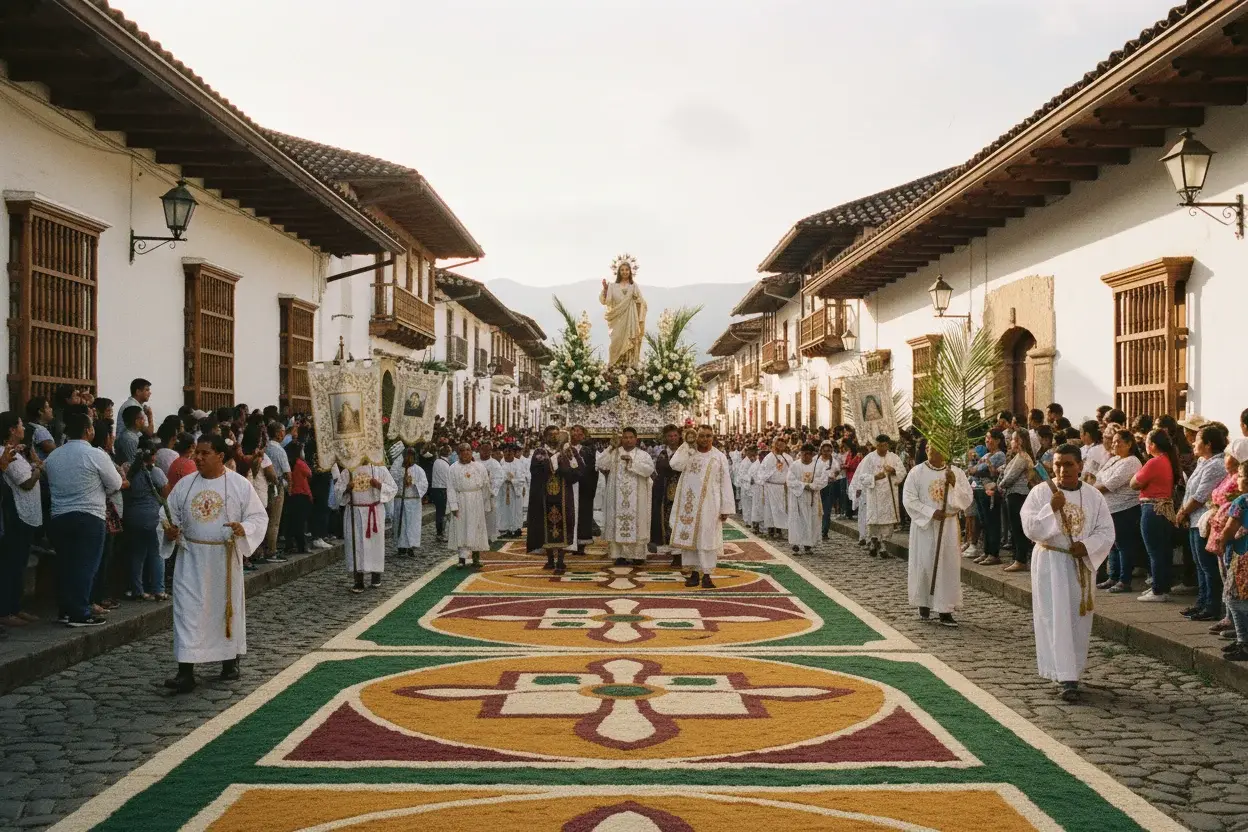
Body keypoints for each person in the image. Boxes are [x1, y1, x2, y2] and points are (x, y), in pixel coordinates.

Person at [159, 435, 267, 693]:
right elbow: (165, 515)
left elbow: (258, 517)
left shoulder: (239, 485)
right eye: (197, 452)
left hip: (223, 559)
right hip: (191, 559)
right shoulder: (185, 486)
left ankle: (229, 662)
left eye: (205, 453)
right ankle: (185, 671)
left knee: (224, 610)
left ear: (220, 455)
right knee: (187, 612)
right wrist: (168, 531)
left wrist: (244, 528)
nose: (198, 458)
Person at [1021, 443, 1115, 702]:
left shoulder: (1094, 496)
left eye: (1069, 464)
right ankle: (1065, 677)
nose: (1063, 470)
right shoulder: (1041, 492)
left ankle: (1073, 670)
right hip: (1051, 561)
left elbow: (1106, 530)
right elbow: (1029, 527)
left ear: (1080, 466)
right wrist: (1050, 508)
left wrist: (1086, 546)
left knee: (1077, 619)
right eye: (1058, 464)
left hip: (1080, 564)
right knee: (1054, 617)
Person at [43, 413, 122, 627]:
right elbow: (115, 483)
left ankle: (65, 610)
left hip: (59, 515)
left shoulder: (54, 456)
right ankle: (80, 612)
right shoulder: (95, 454)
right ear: (88, 431)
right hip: (89, 515)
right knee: (85, 566)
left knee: (65, 564)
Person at [902, 446, 973, 626]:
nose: (934, 452)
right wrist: (930, 512)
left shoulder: (955, 472)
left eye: (938, 448)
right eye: (931, 448)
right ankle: (924, 602)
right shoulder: (916, 472)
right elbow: (909, 499)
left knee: (947, 566)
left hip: (948, 525)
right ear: (927, 449)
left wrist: (954, 483)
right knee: (925, 563)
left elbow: (967, 499)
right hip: (925, 526)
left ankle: (945, 608)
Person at [669, 425, 734, 588]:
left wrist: (726, 508)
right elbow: (675, 465)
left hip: (710, 505)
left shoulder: (718, 457)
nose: (705, 439)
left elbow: (725, 482)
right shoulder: (689, 453)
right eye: (702, 436)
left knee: (708, 538)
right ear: (696, 437)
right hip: (689, 505)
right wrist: (686, 445)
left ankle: (707, 574)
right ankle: (693, 573)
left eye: (709, 436)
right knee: (691, 538)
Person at [1175, 425, 1228, 622]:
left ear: (1208, 444)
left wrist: (1182, 512)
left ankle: (1212, 606)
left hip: (1204, 519)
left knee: (1207, 566)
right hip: (1194, 518)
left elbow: (1200, 495)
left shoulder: (1216, 464)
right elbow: (1190, 490)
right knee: (1199, 564)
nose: (1193, 443)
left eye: (1197, 440)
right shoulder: (1203, 461)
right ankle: (1202, 602)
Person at [1, 412, 42, 627]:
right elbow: (26, 482)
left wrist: (32, 459)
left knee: (20, 562)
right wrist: (36, 470)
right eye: (20, 425)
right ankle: (6, 609)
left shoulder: (19, 453)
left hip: (28, 514)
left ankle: (16, 606)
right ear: (11, 430)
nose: (23, 429)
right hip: (17, 515)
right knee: (12, 564)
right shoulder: (6, 453)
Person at [1130, 429, 1181, 603]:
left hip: (1152, 508)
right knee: (1163, 550)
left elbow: (1134, 483)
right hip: (1164, 508)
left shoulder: (1154, 462)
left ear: (1152, 445)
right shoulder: (1167, 460)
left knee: (1154, 551)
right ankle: (1162, 587)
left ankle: (1158, 589)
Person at [335, 458, 398, 593]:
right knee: (356, 545)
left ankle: (376, 575)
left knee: (374, 545)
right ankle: (358, 580)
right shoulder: (349, 470)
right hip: (355, 512)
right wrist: (347, 489)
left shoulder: (379, 469)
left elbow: (393, 488)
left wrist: (379, 485)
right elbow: (337, 492)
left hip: (373, 511)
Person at [1093, 429, 1144, 594]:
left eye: (1118, 442)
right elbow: (1099, 477)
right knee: (1112, 545)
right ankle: (1112, 576)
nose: (1114, 444)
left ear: (1129, 444)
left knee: (1124, 544)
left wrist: (1090, 490)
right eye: (1113, 441)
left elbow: (1111, 484)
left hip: (1124, 508)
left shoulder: (1132, 462)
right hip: (1109, 509)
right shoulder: (1114, 459)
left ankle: (1124, 580)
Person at [526, 426, 581, 573]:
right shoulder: (540, 452)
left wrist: (565, 463)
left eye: (557, 434)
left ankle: (561, 560)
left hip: (564, 495)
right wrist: (555, 459)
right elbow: (537, 470)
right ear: (545, 437)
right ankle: (550, 560)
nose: (555, 437)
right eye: (551, 435)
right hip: (545, 496)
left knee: (564, 524)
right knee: (546, 526)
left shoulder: (568, 451)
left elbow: (576, 472)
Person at [597, 427, 655, 566]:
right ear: (621, 438)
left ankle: (637, 555)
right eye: (625, 437)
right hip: (617, 498)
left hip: (637, 498)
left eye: (631, 437)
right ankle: (619, 555)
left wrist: (632, 463)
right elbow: (600, 463)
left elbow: (649, 470)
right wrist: (611, 447)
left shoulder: (643, 455)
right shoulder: (614, 453)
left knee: (638, 525)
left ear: (636, 439)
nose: (628, 440)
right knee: (617, 523)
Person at [855, 435, 903, 558]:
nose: (882, 448)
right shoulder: (869, 458)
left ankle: (883, 546)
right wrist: (875, 477)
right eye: (879, 445)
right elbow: (862, 477)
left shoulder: (894, 457)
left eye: (885, 445)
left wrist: (893, 471)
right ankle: (874, 541)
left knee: (887, 523)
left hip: (889, 495)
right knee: (875, 522)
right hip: (875, 494)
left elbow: (902, 472)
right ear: (876, 445)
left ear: (888, 445)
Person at [599, 254, 648, 368]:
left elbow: (642, 303)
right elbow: (606, 301)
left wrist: (637, 304)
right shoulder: (612, 286)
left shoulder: (633, 286)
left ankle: (629, 369)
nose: (625, 272)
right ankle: (614, 368)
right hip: (617, 321)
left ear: (630, 271)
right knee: (615, 342)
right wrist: (605, 290)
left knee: (631, 342)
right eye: (622, 270)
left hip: (631, 320)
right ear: (618, 272)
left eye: (627, 270)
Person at [448, 442, 491, 569]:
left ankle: (476, 558)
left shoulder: (479, 467)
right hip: (461, 500)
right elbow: (450, 488)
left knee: (476, 527)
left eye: (468, 450)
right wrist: (453, 506)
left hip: (476, 500)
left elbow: (486, 485)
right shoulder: (453, 468)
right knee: (461, 528)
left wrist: (485, 503)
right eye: (463, 450)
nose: (466, 453)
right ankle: (462, 559)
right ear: (458, 453)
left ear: (472, 452)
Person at [650, 425, 683, 565]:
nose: (672, 439)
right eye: (669, 436)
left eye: (675, 435)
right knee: (668, 522)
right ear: (665, 438)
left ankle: (681, 552)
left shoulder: (684, 452)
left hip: (681, 492)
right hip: (666, 494)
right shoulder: (663, 453)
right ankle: (673, 551)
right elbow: (659, 471)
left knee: (681, 522)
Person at [786, 443, 827, 553]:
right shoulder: (795, 465)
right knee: (797, 520)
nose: (806, 456)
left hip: (813, 497)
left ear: (812, 454)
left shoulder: (818, 466)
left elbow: (823, 480)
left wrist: (813, 486)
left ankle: (808, 544)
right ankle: (796, 543)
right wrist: (804, 485)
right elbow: (790, 480)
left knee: (811, 520)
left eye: (808, 454)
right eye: (803, 454)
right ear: (801, 453)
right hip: (798, 497)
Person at [394, 446, 428, 556]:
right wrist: (401, 479)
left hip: (413, 501)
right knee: (401, 524)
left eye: (411, 456)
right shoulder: (398, 469)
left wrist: (413, 483)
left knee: (411, 525)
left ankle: (411, 546)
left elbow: (424, 484)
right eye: (407, 456)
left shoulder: (419, 470)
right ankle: (401, 546)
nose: (409, 458)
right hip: (400, 501)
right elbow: (392, 481)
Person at [756, 438, 793, 539]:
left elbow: (792, 471)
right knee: (770, 509)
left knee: (781, 509)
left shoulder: (788, 458)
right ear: (774, 444)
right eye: (778, 444)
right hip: (770, 486)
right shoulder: (769, 457)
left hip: (782, 487)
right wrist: (773, 470)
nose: (780, 446)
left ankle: (780, 531)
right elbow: (762, 471)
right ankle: (771, 531)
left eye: (783, 444)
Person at [264, 420, 291, 559]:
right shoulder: (279, 450)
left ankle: (263, 549)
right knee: (274, 520)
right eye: (283, 431)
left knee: (265, 517)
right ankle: (271, 551)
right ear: (278, 434)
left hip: (264, 485)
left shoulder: (266, 447)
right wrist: (290, 487)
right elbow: (287, 472)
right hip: (276, 484)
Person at [571, 426, 598, 552]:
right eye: (574, 432)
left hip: (583, 487)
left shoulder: (588, 451)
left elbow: (592, 470)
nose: (576, 435)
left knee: (582, 514)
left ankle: (581, 543)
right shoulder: (565, 449)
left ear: (583, 436)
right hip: (568, 486)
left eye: (579, 433)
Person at [284, 441, 313, 555]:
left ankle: (290, 545)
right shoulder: (300, 463)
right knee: (300, 523)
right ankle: (302, 546)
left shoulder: (289, 463)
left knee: (292, 522)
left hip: (292, 494)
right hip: (302, 494)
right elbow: (309, 473)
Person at [496, 444, 528, 538]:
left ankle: (516, 528)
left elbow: (522, 478)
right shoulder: (500, 463)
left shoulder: (519, 463)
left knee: (516, 509)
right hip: (503, 490)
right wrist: (504, 479)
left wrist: (512, 480)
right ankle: (505, 529)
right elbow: (497, 477)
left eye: (510, 452)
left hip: (515, 490)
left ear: (513, 453)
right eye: (505, 452)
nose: (508, 454)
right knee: (504, 510)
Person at [818, 441, 842, 541]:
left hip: (828, 487)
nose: (826, 452)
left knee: (826, 511)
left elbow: (837, 472)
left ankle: (824, 531)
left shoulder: (834, 462)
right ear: (821, 450)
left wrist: (834, 477)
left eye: (828, 450)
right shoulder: (816, 460)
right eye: (824, 450)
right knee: (816, 510)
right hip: (817, 487)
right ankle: (816, 530)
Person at [428, 444, 451, 542]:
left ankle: (439, 532)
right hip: (443, 490)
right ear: (449, 453)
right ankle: (440, 533)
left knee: (439, 512)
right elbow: (448, 479)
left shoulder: (437, 461)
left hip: (435, 489)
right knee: (442, 513)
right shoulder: (446, 465)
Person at [735, 445, 759, 527]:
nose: (755, 453)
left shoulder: (752, 460)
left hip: (751, 486)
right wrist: (749, 479)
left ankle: (751, 521)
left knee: (751, 504)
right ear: (749, 452)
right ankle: (747, 521)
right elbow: (741, 474)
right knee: (746, 504)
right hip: (745, 485)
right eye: (753, 452)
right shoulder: (745, 462)